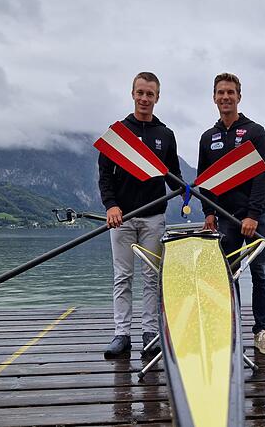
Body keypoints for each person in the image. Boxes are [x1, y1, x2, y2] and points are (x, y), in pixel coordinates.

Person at [98, 72, 182, 358]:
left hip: (154, 218)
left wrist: (192, 191)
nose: (144, 98)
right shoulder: (117, 133)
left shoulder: (165, 135)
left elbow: (175, 178)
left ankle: (150, 333)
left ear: (158, 98)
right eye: (140, 93)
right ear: (132, 94)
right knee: (122, 277)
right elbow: (104, 177)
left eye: (150, 94)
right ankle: (122, 334)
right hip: (121, 218)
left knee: (151, 277)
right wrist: (111, 205)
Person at [196, 72, 265, 355]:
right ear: (214, 97)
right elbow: (203, 180)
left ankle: (261, 330)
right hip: (225, 218)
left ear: (239, 97)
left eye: (231, 92)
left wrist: (253, 215)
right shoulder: (208, 137)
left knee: (259, 274)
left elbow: (261, 177)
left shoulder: (255, 132)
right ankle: (232, 327)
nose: (225, 97)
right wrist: (208, 212)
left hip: (255, 218)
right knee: (228, 276)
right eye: (220, 92)